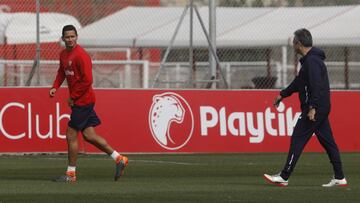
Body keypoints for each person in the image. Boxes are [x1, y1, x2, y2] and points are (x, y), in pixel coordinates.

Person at [263, 28, 347, 187]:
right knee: (328, 142)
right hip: (320, 106)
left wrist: (313, 107)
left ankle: (284, 176)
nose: (292, 45)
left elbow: (316, 85)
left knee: (298, 138)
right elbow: (299, 83)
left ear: (299, 44)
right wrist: (283, 94)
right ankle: (340, 177)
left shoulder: (312, 62)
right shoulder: (310, 61)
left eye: (294, 42)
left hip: (316, 107)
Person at [49, 24, 128, 182]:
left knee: (71, 134)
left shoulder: (81, 55)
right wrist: (55, 87)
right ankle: (119, 158)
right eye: (67, 37)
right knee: (89, 135)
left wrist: (74, 97)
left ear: (76, 37)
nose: (70, 39)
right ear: (63, 38)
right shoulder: (63, 54)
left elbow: (87, 80)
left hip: (84, 101)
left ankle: (71, 174)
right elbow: (61, 72)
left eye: (73, 36)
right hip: (81, 101)